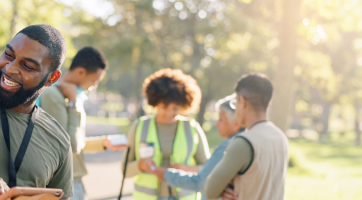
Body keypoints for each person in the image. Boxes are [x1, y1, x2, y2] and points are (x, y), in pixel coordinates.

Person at [37, 46, 127, 200]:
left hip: (74, 181)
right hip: (61, 185)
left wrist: (103, 143)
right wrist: (73, 103)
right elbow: (70, 145)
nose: (95, 85)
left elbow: (75, 141)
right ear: (81, 72)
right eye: (94, 79)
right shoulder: (54, 95)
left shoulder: (72, 95)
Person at [0, 24, 74, 199]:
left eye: (27, 66)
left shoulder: (59, 141)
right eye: (8, 55)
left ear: (51, 78)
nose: (10, 68)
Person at [122, 68, 210, 200]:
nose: (170, 113)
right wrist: (140, 165)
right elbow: (125, 171)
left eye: (175, 108)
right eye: (164, 107)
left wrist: (187, 169)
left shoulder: (192, 128)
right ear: (155, 103)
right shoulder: (139, 126)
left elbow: (208, 168)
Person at [206, 73, 289, 200]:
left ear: (243, 101)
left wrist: (225, 189)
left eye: (235, 102)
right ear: (268, 103)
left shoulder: (244, 142)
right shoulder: (281, 137)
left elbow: (210, 191)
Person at [147, 94, 242, 200]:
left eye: (221, 119)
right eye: (165, 107)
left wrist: (166, 174)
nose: (216, 124)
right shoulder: (248, 140)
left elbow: (202, 181)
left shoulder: (227, 146)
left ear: (236, 124)